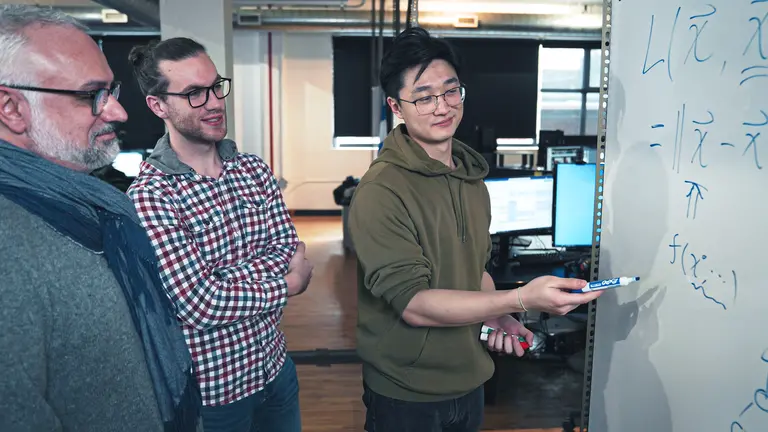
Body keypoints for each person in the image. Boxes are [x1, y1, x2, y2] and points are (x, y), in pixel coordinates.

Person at [348, 27, 603, 432]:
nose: (441, 106)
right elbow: (414, 305)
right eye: (424, 96)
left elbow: (474, 271)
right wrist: (516, 299)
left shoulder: (471, 178)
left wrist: (501, 318)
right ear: (396, 106)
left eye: (451, 91)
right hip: (407, 391)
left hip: (469, 380)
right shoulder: (381, 191)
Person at [0, 5, 201, 432]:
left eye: (112, 91)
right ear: (11, 108)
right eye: (91, 95)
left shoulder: (93, 205)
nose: (118, 113)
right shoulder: (10, 249)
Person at [126, 37, 313, 432]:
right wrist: (286, 286)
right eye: (194, 93)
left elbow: (285, 247)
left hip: (276, 369)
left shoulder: (253, 170)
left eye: (215, 86)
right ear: (158, 105)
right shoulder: (151, 195)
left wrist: (229, 281)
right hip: (214, 396)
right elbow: (201, 304)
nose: (213, 102)